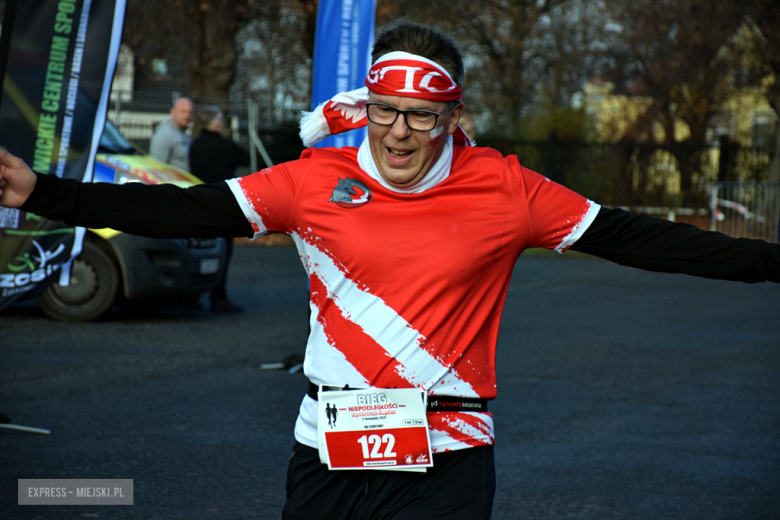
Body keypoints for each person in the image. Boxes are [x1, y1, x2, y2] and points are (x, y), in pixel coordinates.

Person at [1, 21, 778, 520]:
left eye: (422, 117)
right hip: (328, 444)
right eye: (385, 112)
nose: (400, 134)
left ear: (452, 116)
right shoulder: (310, 181)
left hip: (449, 451)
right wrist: (43, 191)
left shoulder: (505, 189)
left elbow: (641, 238)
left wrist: (770, 264)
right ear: (365, 105)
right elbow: (185, 210)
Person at [188, 106, 250, 313]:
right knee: (223, 251)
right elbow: (246, 158)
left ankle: (192, 296)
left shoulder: (194, 145)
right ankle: (218, 296)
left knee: (199, 249)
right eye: (221, 121)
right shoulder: (225, 145)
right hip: (223, 203)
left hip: (199, 201)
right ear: (216, 123)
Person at [149, 96, 193, 172]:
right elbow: (156, 169)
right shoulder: (164, 135)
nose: (187, 115)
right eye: (182, 111)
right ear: (172, 112)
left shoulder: (184, 134)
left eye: (189, 112)